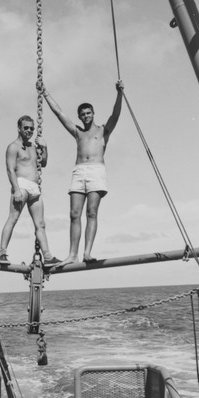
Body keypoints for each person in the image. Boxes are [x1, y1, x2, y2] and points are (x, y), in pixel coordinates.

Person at [38, 80, 124, 266]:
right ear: (79, 117)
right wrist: (45, 93)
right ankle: (72, 255)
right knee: (74, 214)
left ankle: (87, 252)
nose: (86, 116)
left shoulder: (103, 131)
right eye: (82, 114)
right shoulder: (77, 133)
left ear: (93, 114)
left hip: (96, 171)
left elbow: (115, 115)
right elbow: (59, 113)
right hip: (79, 172)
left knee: (91, 212)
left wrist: (119, 93)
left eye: (88, 113)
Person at [0, 115, 59, 266]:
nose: (29, 131)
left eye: (31, 128)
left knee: (41, 224)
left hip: (34, 187)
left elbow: (43, 163)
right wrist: (16, 190)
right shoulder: (13, 147)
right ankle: (2, 253)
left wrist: (44, 147)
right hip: (21, 185)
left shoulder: (33, 146)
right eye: (26, 128)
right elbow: (10, 169)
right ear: (19, 128)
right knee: (13, 218)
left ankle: (48, 256)